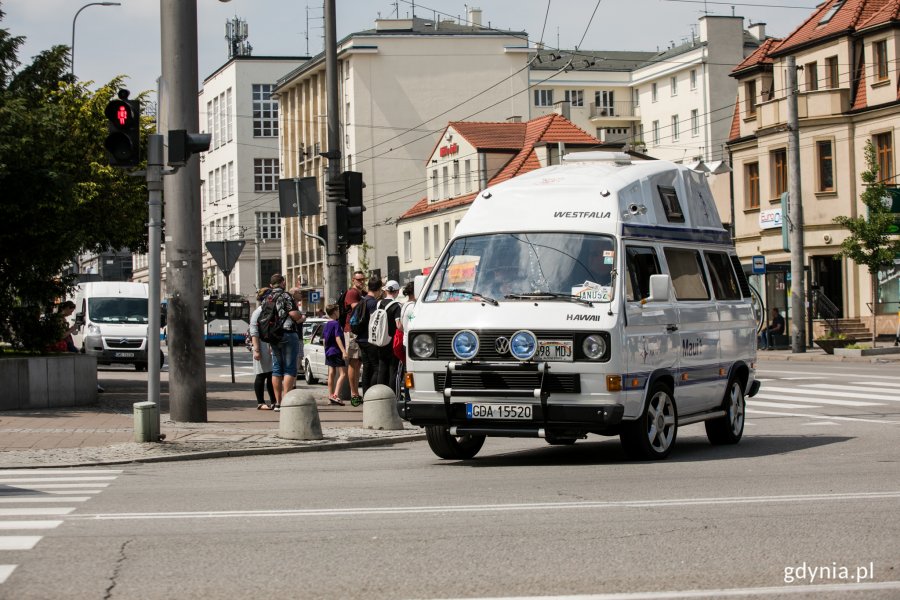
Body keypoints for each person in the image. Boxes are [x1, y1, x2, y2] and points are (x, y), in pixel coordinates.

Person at [267, 273, 304, 411]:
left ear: (271, 285)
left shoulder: (268, 297)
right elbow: (294, 314)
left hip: (273, 336)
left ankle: (277, 402)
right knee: (289, 368)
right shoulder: (285, 295)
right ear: (283, 283)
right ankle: (287, 402)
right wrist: (301, 315)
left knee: (276, 369)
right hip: (287, 333)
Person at [355, 275, 383, 395]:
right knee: (376, 367)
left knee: (367, 367)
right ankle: (373, 393)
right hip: (370, 339)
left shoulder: (362, 300)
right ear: (379, 289)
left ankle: (366, 393)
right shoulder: (373, 304)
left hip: (361, 338)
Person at [249, 288, 276, 410]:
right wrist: (257, 350)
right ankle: (260, 402)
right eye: (270, 296)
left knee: (271, 374)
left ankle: (274, 400)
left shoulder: (270, 310)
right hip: (261, 345)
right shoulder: (258, 312)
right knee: (261, 374)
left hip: (270, 345)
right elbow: (254, 332)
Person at [343, 270, 366, 406]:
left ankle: (356, 392)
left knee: (358, 364)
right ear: (353, 280)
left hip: (358, 331)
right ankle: (354, 394)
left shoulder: (362, 293)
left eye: (363, 279)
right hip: (352, 331)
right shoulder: (352, 292)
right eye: (359, 280)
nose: (361, 282)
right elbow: (355, 307)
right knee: (354, 362)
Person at [323, 303, 348, 406]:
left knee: (331, 374)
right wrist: (343, 351)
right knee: (343, 374)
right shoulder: (336, 324)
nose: (339, 312)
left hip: (329, 352)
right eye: (338, 311)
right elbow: (337, 337)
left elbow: (324, 340)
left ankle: (330, 396)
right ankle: (336, 395)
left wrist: (326, 351)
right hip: (336, 351)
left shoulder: (327, 324)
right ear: (334, 312)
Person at [380, 280, 403, 390]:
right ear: (397, 291)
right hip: (392, 341)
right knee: (393, 369)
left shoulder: (378, 303)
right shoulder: (397, 305)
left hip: (380, 341)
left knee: (382, 368)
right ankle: (392, 395)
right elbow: (398, 325)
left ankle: (380, 393)